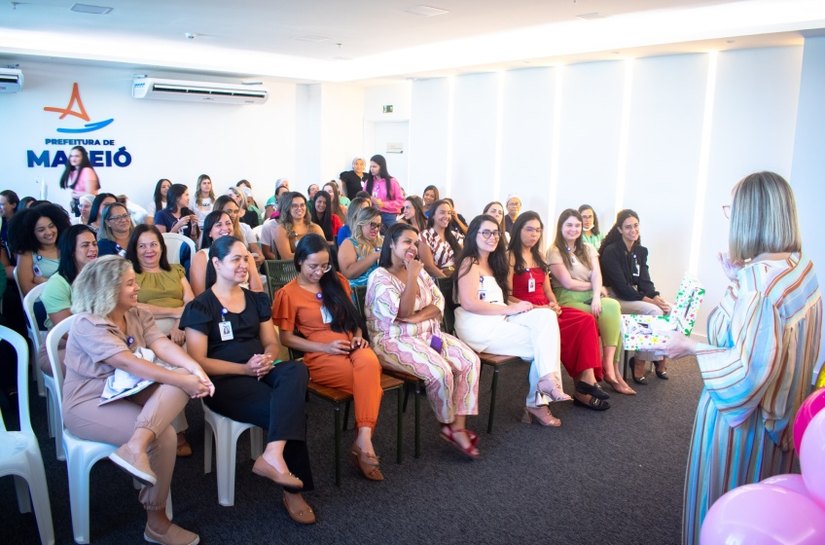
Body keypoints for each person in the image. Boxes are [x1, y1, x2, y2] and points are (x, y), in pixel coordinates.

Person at [658, 172, 823, 545]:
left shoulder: (760, 286)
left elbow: (746, 373)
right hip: (783, 420)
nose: (729, 217)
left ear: (751, 215)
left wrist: (690, 347)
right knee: (771, 509)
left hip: (743, 429)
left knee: (727, 508)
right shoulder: (801, 268)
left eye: (732, 208)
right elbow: (773, 341)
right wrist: (737, 281)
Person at [62, 255, 213, 545]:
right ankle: (157, 522)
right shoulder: (86, 323)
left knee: (181, 376)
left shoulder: (135, 313)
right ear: (107, 289)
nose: (137, 288)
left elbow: (160, 344)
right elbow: (129, 364)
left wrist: (195, 369)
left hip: (127, 388)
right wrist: (182, 378)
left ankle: (135, 446)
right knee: (166, 435)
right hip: (89, 401)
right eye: (130, 283)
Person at [181, 236, 316, 524]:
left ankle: (273, 453)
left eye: (246, 258)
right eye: (236, 259)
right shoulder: (200, 306)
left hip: (261, 370)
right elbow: (198, 362)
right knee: (284, 408)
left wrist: (267, 358)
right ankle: (292, 492)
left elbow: (271, 343)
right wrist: (245, 369)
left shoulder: (257, 299)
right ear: (216, 263)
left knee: (296, 370)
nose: (244, 264)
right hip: (225, 380)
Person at [273, 234, 385, 480]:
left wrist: (357, 335)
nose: (320, 272)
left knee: (368, 361)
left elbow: (353, 320)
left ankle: (363, 441)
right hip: (320, 354)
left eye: (325, 265)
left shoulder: (337, 282)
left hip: (351, 347)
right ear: (299, 261)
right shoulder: (288, 294)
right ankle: (363, 446)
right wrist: (325, 348)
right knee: (371, 385)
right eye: (313, 266)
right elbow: (286, 339)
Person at [366, 223, 481, 459]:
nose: (413, 247)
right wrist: (411, 277)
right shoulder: (380, 277)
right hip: (392, 341)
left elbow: (437, 305)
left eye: (416, 243)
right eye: (407, 242)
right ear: (391, 244)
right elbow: (402, 309)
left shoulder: (419, 270)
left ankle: (457, 426)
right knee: (440, 371)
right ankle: (447, 425)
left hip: (428, 334)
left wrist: (414, 316)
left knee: (470, 361)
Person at [453, 215, 574, 428]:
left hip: (498, 318)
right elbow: (469, 303)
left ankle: (546, 382)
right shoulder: (469, 262)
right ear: (474, 235)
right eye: (486, 232)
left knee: (546, 318)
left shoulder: (492, 262)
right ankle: (538, 401)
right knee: (544, 344)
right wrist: (510, 308)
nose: (493, 237)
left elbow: (503, 299)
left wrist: (530, 308)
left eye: (496, 233)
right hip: (477, 325)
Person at [508, 211, 614, 408]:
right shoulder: (510, 257)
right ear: (518, 230)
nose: (534, 235)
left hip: (547, 307)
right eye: (529, 229)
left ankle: (586, 382)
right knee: (568, 329)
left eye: (538, 230)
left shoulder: (538, 255)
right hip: (528, 311)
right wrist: (535, 308)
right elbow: (507, 295)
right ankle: (585, 387)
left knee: (586, 320)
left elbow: (547, 288)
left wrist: (554, 304)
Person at [548, 209, 635, 395]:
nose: (574, 229)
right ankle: (613, 373)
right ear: (561, 227)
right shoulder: (554, 251)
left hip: (590, 296)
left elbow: (597, 274)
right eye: (569, 225)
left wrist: (597, 296)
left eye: (577, 225)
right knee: (606, 313)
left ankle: (610, 367)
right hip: (567, 298)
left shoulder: (587, 248)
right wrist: (594, 287)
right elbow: (567, 283)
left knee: (612, 306)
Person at [599, 209, 671, 384]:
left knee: (669, 309)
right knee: (654, 312)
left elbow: (645, 281)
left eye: (636, 226)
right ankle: (640, 360)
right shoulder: (611, 252)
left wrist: (656, 296)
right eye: (628, 227)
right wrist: (649, 300)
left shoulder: (640, 251)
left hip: (632, 295)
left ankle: (659, 356)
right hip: (614, 297)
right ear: (620, 230)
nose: (633, 230)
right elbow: (622, 288)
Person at [38, 224, 98, 375]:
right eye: (85, 245)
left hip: (98, 338)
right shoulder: (56, 284)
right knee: (109, 362)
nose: (93, 249)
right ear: (71, 251)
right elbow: (67, 331)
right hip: (61, 346)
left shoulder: (99, 275)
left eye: (94, 244)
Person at [125, 225, 194, 345]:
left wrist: (179, 324)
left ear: (162, 247)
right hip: (147, 331)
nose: (149, 250)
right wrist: (175, 312)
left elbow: (190, 302)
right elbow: (132, 307)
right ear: (135, 250)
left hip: (183, 326)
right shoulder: (128, 274)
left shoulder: (176, 270)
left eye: (153, 244)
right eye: (142, 246)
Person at [191, 210, 263, 296]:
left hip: (247, 303)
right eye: (219, 225)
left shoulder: (245, 254)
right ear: (209, 232)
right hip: (214, 306)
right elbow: (199, 295)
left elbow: (257, 290)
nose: (225, 228)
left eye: (228, 223)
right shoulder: (202, 256)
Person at [9, 203, 72, 296]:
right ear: (31, 233)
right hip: (44, 303)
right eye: (41, 230)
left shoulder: (67, 246)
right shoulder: (27, 254)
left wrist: (44, 282)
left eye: (51, 226)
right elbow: (26, 289)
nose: (49, 232)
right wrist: (56, 288)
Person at [262, 192, 324, 261]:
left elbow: (325, 250)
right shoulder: (281, 229)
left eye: (302, 205)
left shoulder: (315, 228)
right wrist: (314, 255)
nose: (299, 208)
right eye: (295, 206)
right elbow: (287, 257)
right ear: (288, 208)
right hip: (291, 269)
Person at [213, 195, 264, 268]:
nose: (233, 215)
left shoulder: (245, 227)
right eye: (229, 211)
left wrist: (258, 258)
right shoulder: (216, 230)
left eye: (236, 211)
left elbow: (257, 251)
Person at [338, 207, 382, 288]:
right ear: (362, 223)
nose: (376, 229)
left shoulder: (382, 241)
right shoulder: (349, 243)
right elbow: (348, 273)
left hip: (381, 289)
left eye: (378, 226)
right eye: (372, 225)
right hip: (359, 292)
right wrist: (374, 256)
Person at [420, 199, 463, 279]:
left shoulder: (456, 236)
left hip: (458, 279)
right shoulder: (425, 235)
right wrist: (447, 281)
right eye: (442, 212)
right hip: (437, 283)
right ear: (433, 215)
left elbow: (464, 261)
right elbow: (429, 267)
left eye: (449, 213)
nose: (447, 216)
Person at [364, 154, 403, 228]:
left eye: (374, 166)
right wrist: (369, 199)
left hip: (389, 216)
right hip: (372, 215)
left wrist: (383, 204)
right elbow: (362, 198)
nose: (372, 169)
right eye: (371, 166)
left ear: (382, 167)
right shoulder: (368, 182)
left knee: (392, 236)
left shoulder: (392, 182)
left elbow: (400, 202)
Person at [59, 145, 99, 216]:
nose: (73, 158)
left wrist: (75, 195)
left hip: (89, 208)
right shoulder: (73, 172)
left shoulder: (87, 171)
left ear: (83, 158)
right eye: (71, 156)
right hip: (79, 207)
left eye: (77, 156)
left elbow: (91, 194)